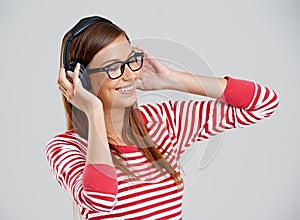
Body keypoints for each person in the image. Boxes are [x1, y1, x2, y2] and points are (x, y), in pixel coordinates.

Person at [45, 15, 279, 220]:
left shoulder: (164, 121)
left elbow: (263, 103)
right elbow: (101, 200)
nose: (128, 76)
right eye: (114, 67)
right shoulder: (65, 148)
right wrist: (93, 112)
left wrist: (171, 79)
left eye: (130, 61)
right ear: (81, 79)